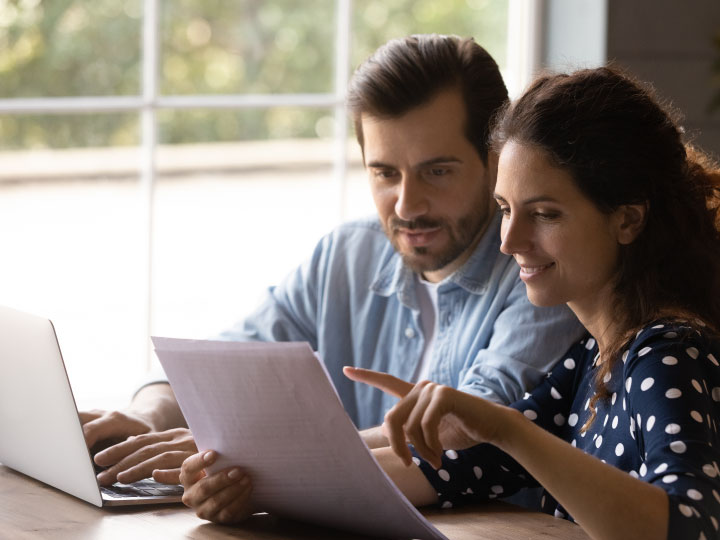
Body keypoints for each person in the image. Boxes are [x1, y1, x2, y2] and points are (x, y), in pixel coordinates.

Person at [180, 67, 720, 538]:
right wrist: (253, 481)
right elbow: (456, 466)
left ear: (628, 219)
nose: (510, 242)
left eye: (546, 214)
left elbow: (688, 527)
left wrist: (504, 427)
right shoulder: (594, 355)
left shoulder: (668, 350)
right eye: (506, 209)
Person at [81, 34, 582, 488]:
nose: (407, 205)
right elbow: (224, 365)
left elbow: (470, 426)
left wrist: (257, 458)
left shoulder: (538, 272)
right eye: (385, 173)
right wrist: (147, 417)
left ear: (495, 160)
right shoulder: (347, 255)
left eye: (437, 171)